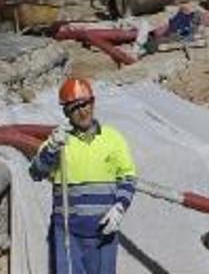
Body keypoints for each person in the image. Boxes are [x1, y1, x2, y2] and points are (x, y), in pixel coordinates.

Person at [30, 78, 137, 274]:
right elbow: (36, 173)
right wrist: (51, 148)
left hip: (104, 231)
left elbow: (128, 178)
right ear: (66, 112)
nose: (82, 111)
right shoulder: (59, 142)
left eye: (85, 104)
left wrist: (120, 208)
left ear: (93, 103)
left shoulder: (113, 139)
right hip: (69, 234)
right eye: (75, 107)